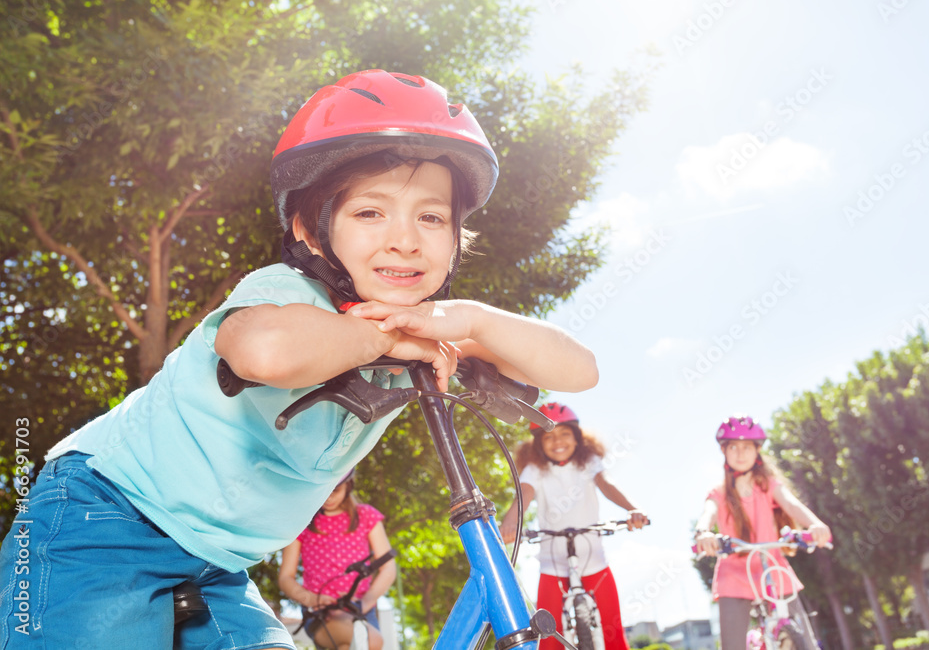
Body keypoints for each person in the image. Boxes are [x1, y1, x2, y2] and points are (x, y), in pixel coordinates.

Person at [0, 69, 598, 649]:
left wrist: (470, 320)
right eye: (370, 212)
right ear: (311, 232)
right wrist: (388, 338)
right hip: (103, 517)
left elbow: (577, 371)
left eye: (432, 217)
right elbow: (265, 351)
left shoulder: (435, 336)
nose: (407, 239)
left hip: (217, 565)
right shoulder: (285, 292)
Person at [498, 402, 648, 650]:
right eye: (549, 436)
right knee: (548, 639)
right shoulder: (536, 469)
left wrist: (632, 509)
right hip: (552, 564)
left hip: (594, 561)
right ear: (538, 444)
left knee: (614, 635)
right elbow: (523, 495)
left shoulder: (588, 461)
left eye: (565, 433)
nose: (557, 440)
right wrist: (510, 522)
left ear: (578, 438)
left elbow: (606, 484)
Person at [693, 416, 832, 650]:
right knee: (733, 645)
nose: (740, 453)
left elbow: (791, 504)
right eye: (733, 447)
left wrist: (816, 524)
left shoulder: (768, 484)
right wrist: (703, 532)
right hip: (734, 572)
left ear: (757, 450)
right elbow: (708, 513)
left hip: (773, 566)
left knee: (806, 643)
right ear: (723, 451)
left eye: (747, 447)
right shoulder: (719, 492)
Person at [279, 469, 393, 650]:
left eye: (335, 490)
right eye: (324, 491)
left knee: (371, 641)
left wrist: (366, 601)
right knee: (358, 640)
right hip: (321, 612)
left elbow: (388, 568)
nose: (329, 498)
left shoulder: (366, 516)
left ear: (348, 486)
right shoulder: (302, 523)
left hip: (361, 608)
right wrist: (310, 598)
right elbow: (286, 577)